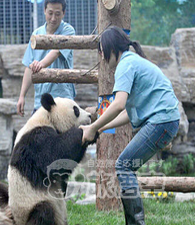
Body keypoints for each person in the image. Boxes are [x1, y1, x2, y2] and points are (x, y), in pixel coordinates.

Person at [80, 26, 180, 225]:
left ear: (109, 48)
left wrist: (91, 128)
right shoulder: (132, 62)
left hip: (162, 121)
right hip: (165, 120)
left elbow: (118, 105)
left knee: (124, 165)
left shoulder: (126, 65)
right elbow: (126, 113)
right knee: (126, 166)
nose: (101, 56)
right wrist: (99, 127)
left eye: (101, 50)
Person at [17, 0, 76, 116]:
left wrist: (40, 64)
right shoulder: (36, 34)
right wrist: (22, 96)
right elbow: (29, 66)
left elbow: (56, 52)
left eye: (57, 14)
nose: (53, 18)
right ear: (44, 11)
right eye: (50, 13)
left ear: (64, 13)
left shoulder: (68, 31)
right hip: (41, 102)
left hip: (63, 99)